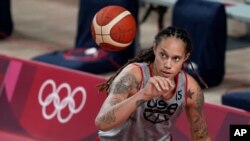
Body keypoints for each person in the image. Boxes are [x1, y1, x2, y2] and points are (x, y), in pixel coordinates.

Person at [95, 26, 212, 141]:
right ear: (155, 48)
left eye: (176, 58)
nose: (168, 65)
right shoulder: (132, 76)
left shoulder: (189, 88)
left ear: (185, 57)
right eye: (163, 55)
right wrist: (143, 94)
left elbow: (201, 136)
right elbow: (102, 122)